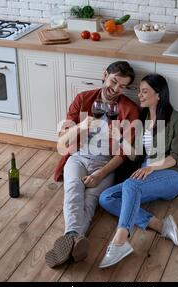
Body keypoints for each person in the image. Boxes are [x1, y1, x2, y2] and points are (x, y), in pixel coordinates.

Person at [45, 61, 140, 268]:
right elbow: (62, 140)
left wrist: (100, 174)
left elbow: (125, 154)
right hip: (78, 156)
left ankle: (70, 240)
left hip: (106, 163)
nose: (116, 90)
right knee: (73, 190)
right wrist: (82, 125)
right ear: (104, 74)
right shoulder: (84, 99)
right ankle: (74, 238)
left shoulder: (129, 109)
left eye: (122, 86)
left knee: (90, 199)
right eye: (114, 81)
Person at [98, 73, 178, 268]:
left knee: (132, 184)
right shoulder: (143, 118)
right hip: (144, 177)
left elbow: (176, 157)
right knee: (106, 198)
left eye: (144, 91)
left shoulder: (176, 119)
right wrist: (119, 138)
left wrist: (151, 168)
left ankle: (119, 241)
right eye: (139, 91)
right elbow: (135, 156)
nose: (139, 95)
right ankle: (161, 225)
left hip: (172, 176)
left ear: (159, 94)